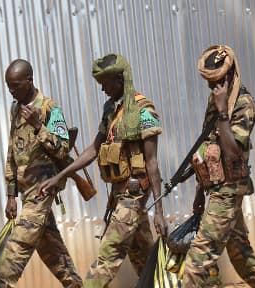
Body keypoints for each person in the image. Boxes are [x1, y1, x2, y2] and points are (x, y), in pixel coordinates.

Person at [38, 53, 168, 288]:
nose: (102, 90)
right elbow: (93, 149)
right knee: (145, 258)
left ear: (119, 79)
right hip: (119, 195)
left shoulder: (142, 110)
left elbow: (152, 162)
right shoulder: (111, 111)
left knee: (107, 257)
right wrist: (61, 175)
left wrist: (159, 209)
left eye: (105, 84)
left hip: (134, 195)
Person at [181, 45, 255, 288]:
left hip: (229, 191)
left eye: (216, 80)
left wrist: (223, 111)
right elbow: (208, 148)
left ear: (230, 75)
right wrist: (199, 193)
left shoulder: (244, 103)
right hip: (216, 189)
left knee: (197, 262)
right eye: (209, 81)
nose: (210, 86)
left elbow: (234, 153)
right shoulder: (215, 101)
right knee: (241, 256)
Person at [0, 59, 83, 288]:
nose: (11, 91)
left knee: (8, 263)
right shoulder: (16, 107)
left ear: (29, 80)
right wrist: (11, 194)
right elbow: (12, 151)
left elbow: (63, 148)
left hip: (42, 193)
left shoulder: (49, 108)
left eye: (15, 85)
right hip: (26, 194)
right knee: (54, 255)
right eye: (8, 86)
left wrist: (38, 126)